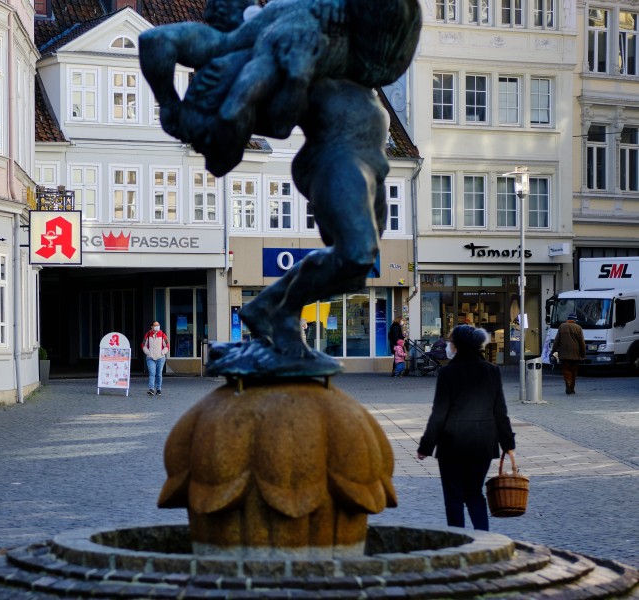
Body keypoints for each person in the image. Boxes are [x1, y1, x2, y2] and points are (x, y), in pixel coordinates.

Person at [140, 0, 422, 377]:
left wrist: (169, 104)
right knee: (356, 253)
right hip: (337, 156)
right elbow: (267, 121)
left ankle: (268, 311)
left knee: (356, 267)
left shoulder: (307, 26)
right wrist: (295, 78)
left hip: (370, 156)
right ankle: (277, 315)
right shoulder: (274, 39)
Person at [416, 325, 516, 531]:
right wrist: (507, 443)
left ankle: (458, 539)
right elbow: (500, 411)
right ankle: (484, 537)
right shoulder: (492, 371)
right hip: (483, 444)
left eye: (451, 342)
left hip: (452, 444)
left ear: (457, 345)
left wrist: (426, 446)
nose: (450, 346)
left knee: (453, 495)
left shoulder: (448, 372)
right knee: (474, 493)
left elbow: (439, 413)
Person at [552, 313, 586, 395]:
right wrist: (583, 355)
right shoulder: (578, 328)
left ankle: (568, 384)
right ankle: (572, 389)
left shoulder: (562, 326)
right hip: (575, 353)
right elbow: (582, 343)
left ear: (567, 319)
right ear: (575, 320)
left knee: (566, 370)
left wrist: (553, 350)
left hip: (564, 353)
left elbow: (556, 340)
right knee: (574, 371)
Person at [142, 321, 170, 396]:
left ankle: (158, 389)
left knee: (159, 374)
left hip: (160, 358)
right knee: (152, 373)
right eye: (155, 325)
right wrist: (148, 352)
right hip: (150, 357)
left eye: (158, 325)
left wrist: (162, 353)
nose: (157, 326)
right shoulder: (148, 335)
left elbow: (167, 346)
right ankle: (151, 389)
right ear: (152, 327)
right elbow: (143, 345)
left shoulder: (163, 335)